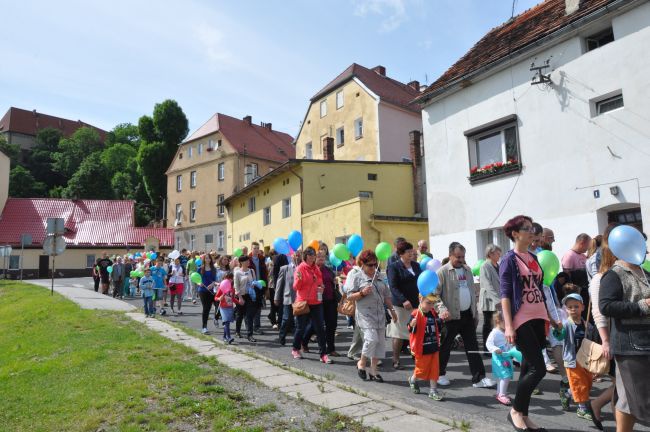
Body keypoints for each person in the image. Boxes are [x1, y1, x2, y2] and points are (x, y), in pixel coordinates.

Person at [500, 215, 562, 432]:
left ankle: (524, 415)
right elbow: (505, 294)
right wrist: (508, 325)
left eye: (531, 228)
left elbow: (540, 290)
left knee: (528, 367)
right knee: (539, 368)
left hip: (539, 318)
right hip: (522, 319)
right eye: (526, 229)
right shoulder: (509, 259)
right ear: (515, 234)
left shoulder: (533, 258)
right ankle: (515, 410)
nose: (531, 232)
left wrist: (552, 319)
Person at [599, 242, 650, 432]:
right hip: (630, 346)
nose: (645, 250)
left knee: (627, 399)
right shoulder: (613, 275)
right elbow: (606, 306)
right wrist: (641, 306)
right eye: (640, 246)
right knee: (642, 400)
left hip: (644, 342)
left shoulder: (644, 272)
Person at [434, 242, 493, 388]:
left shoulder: (467, 270)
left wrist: (475, 313)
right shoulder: (442, 272)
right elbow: (434, 295)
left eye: (463, 256)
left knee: (472, 347)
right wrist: (442, 310)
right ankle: (439, 374)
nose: (461, 259)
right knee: (445, 347)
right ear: (450, 256)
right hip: (450, 316)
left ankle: (479, 378)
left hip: (467, 315)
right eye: (458, 257)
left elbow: (472, 292)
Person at [345, 250, 396, 380]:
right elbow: (349, 296)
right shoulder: (356, 276)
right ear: (362, 264)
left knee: (379, 342)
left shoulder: (378, 276)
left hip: (379, 314)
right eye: (370, 265)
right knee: (371, 339)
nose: (373, 267)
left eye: (375, 264)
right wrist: (362, 293)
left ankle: (373, 370)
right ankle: (361, 363)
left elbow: (386, 296)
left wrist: (392, 310)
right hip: (365, 314)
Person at [587, 224, 618, 428]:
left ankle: (597, 405)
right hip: (610, 335)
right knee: (622, 383)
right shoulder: (600, 278)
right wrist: (606, 340)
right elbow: (599, 313)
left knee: (621, 384)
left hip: (621, 335)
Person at [560, 293, 600, 424]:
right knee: (580, 384)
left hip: (586, 360)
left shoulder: (588, 325)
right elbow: (560, 336)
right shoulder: (566, 325)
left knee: (587, 384)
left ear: (583, 307)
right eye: (570, 307)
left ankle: (566, 393)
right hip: (572, 360)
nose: (573, 309)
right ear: (566, 309)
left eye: (576, 306)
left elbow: (593, 341)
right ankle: (582, 408)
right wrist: (557, 330)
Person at [292, 247, 331, 364]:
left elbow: (320, 282)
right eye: (310, 257)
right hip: (303, 302)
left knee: (320, 329)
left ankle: (323, 354)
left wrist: (322, 287)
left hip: (316, 302)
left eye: (313, 256)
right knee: (301, 328)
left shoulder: (316, 269)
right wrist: (298, 280)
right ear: (305, 257)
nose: (312, 259)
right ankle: (295, 349)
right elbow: (296, 287)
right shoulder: (300, 268)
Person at [387, 241, 422, 370]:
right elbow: (393, 286)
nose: (411, 253)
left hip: (417, 304)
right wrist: (403, 300)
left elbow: (421, 282)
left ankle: (416, 356)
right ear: (401, 254)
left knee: (416, 332)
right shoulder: (394, 267)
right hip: (401, 305)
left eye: (412, 251)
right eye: (408, 252)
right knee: (399, 333)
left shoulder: (416, 265)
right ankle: (395, 359)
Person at [407, 292, 444, 400]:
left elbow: (437, 325)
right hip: (422, 348)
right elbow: (410, 328)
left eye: (432, 303)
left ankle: (433, 390)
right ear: (420, 300)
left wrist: (441, 319)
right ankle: (413, 379)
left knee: (434, 370)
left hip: (433, 346)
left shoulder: (432, 312)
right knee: (421, 370)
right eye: (428, 303)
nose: (431, 306)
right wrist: (411, 324)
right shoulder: (415, 314)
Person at [303, 251, 339, 356]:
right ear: (314, 258)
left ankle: (331, 349)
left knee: (331, 325)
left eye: (323, 256)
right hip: (317, 301)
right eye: (318, 256)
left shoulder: (328, 269)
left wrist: (335, 281)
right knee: (315, 326)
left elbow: (333, 282)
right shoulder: (312, 270)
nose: (321, 258)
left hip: (331, 300)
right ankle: (304, 342)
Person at [486, 310, 514, 406]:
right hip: (499, 359)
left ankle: (499, 393)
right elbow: (488, 344)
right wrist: (495, 349)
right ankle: (502, 394)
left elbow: (508, 345)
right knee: (505, 376)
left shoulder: (505, 332)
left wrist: (512, 350)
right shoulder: (494, 333)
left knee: (502, 376)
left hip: (506, 358)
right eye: (506, 321)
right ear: (498, 320)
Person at [479, 244, 502, 354]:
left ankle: (496, 346)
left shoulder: (498, 265)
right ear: (490, 254)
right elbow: (487, 285)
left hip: (498, 299)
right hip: (489, 300)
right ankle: (487, 348)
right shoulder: (485, 266)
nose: (499, 256)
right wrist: (497, 300)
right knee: (488, 324)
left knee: (497, 324)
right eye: (497, 253)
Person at [274, 252, 301, 345]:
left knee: (299, 321)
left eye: (298, 255)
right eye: (295, 255)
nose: (297, 256)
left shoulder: (303, 268)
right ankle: (282, 336)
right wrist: (276, 297)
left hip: (300, 299)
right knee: (286, 319)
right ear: (291, 257)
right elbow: (279, 284)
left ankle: (298, 341)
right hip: (288, 298)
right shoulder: (285, 268)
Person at [562, 233, 592, 308]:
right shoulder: (569, 255)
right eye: (588, 245)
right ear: (582, 243)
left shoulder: (583, 255)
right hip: (578, 294)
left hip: (586, 291)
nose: (588, 248)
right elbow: (567, 277)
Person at [234, 256, 257, 342]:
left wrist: (254, 284)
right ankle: (237, 331)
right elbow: (236, 286)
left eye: (248, 260)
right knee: (240, 315)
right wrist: (240, 298)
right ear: (242, 262)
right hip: (241, 296)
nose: (248, 262)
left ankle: (250, 334)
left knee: (249, 315)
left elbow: (254, 281)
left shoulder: (251, 271)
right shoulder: (237, 273)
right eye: (246, 261)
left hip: (250, 295)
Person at [215, 272, 240, 344]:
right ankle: (229, 337)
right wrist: (219, 298)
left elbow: (232, 298)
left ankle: (224, 337)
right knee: (226, 322)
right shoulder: (221, 288)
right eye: (227, 278)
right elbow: (215, 297)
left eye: (230, 278)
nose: (229, 280)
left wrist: (238, 302)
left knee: (227, 322)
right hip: (223, 308)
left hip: (230, 307)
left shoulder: (232, 289)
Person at [249, 242, 268, 334]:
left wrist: (265, 286)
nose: (256, 250)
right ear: (251, 249)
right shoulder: (248, 260)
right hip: (251, 286)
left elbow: (265, 273)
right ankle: (250, 325)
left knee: (258, 307)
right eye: (254, 248)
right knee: (251, 306)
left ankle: (257, 326)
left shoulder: (262, 259)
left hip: (260, 286)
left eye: (257, 248)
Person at [198, 254, 217, 334]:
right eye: (206, 258)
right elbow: (196, 279)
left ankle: (216, 318)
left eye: (209, 258)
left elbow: (214, 280)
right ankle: (204, 327)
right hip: (202, 290)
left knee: (213, 307)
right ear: (204, 259)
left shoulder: (213, 269)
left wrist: (212, 285)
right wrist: (199, 283)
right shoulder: (200, 268)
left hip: (211, 291)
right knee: (206, 308)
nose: (208, 259)